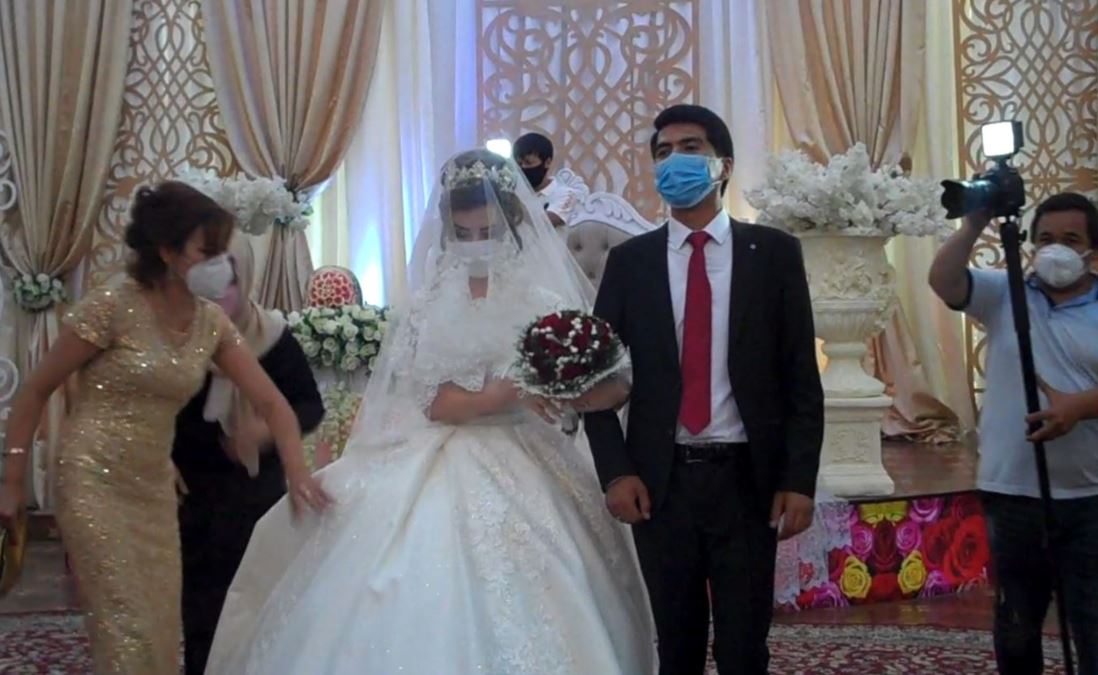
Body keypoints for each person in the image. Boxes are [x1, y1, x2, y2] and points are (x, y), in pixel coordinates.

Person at [204, 150, 655, 674]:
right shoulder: (430, 304)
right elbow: (435, 402)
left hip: (530, 451)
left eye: (485, 231)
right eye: (463, 234)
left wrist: (567, 389)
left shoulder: (543, 299)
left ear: (511, 223)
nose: (475, 243)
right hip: (443, 450)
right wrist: (505, 393)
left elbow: (604, 383)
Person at [0, 181, 330, 675]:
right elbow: (34, 390)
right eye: (206, 252)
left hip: (154, 491)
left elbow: (273, 403)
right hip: (94, 481)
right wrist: (11, 481)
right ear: (167, 252)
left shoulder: (210, 323)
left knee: (158, 633)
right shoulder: (113, 306)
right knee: (126, 629)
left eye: (222, 252)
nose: (220, 265)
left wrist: (298, 472)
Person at [584, 104, 825, 675]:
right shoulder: (630, 263)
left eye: (690, 148)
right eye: (663, 152)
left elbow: (799, 376)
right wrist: (615, 472)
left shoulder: (774, 254)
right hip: (658, 483)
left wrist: (798, 480)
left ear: (724, 166)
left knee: (745, 648)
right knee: (677, 645)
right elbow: (593, 380)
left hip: (747, 480)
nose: (674, 161)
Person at [928, 192, 1098, 675]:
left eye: (1070, 239)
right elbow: (943, 281)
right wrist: (973, 225)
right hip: (1013, 493)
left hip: (1097, 497)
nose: (1057, 249)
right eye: (1047, 238)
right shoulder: (1004, 295)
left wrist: (1076, 408)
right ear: (1030, 245)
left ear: (1094, 250)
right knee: (1016, 622)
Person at [173, 232, 325, 675]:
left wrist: (264, 431)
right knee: (201, 608)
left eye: (230, 282)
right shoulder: (179, 338)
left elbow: (308, 405)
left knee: (253, 602)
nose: (220, 295)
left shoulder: (271, 337)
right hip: (190, 493)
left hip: (254, 493)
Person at [514, 132, 580, 227]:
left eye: (528, 163)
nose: (523, 168)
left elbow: (546, 223)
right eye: (519, 164)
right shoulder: (514, 190)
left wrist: (513, 206)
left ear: (547, 162)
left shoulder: (566, 194)